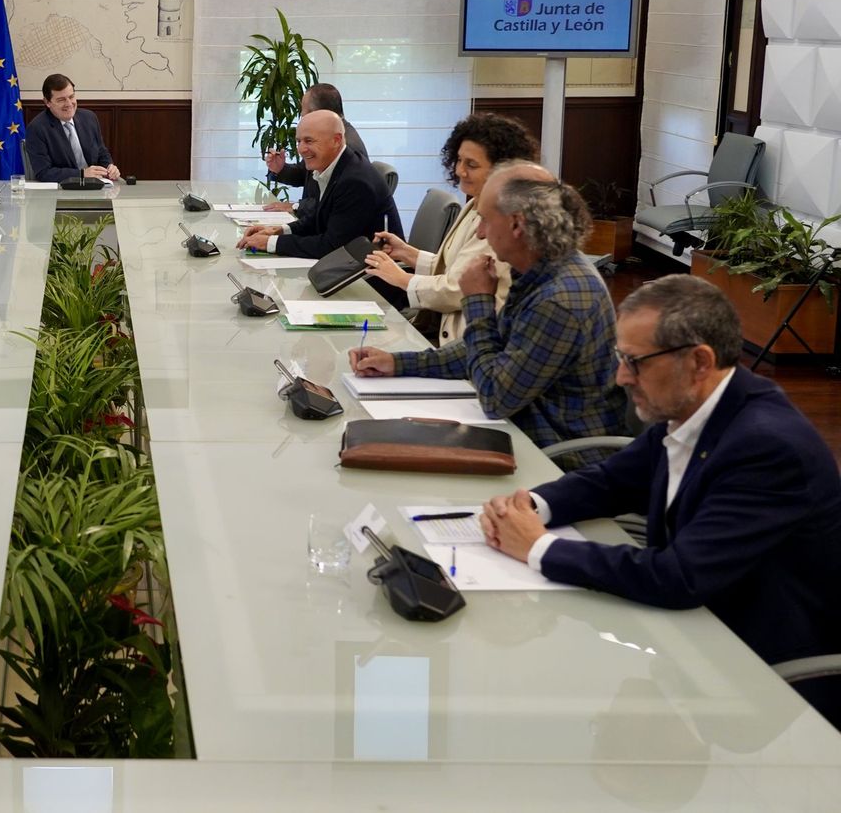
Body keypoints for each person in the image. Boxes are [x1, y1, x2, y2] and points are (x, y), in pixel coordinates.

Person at [478, 275, 841, 725]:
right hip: (691, 642)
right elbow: (612, 481)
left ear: (699, 362)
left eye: (634, 362)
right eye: (620, 358)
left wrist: (537, 546)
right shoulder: (700, 407)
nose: (620, 377)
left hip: (761, 679)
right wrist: (528, 505)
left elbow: (678, 577)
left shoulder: (766, 448)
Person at [348, 163, 629, 456]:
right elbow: (493, 349)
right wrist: (398, 363)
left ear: (517, 225)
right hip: (523, 431)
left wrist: (478, 301)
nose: (480, 234)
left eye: (484, 220)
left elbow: (496, 397)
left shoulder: (559, 300)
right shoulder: (539, 269)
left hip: (558, 456)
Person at [363, 113, 539, 345]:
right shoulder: (475, 202)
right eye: (459, 161)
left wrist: (403, 279)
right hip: (444, 331)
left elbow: (459, 287)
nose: (459, 171)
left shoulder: (504, 222)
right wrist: (408, 253)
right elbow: (457, 264)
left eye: (471, 165)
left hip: (465, 341)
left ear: (501, 170)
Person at [236, 108, 402, 259]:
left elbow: (332, 247)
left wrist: (270, 243)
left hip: (372, 282)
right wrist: (279, 231)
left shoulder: (354, 181)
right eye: (298, 141)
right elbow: (320, 217)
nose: (301, 149)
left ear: (336, 140)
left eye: (308, 141)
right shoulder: (337, 165)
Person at [262, 83, 368, 212]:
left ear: (317, 114)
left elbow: (333, 201)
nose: (301, 115)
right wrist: (280, 169)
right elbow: (305, 174)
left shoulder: (347, 147)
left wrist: (296, 207)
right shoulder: (325, 135)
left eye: (303, 111)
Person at [23, 73, 120, 182]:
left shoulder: (89, 118)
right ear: (47, 102)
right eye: (61, 100)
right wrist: (81, 174)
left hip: (95, 186)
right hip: (62, 190)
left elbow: (101, 152)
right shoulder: (37, 128)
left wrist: (109, 168)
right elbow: (43, 172)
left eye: (71, 97)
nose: (69, 104)